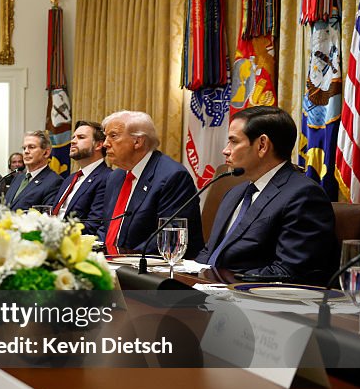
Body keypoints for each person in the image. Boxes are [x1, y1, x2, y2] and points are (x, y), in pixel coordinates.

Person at [195, 107, 337, 284]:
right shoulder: (235, 192)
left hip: (253, 303)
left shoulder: (304, 196)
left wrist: (219, 282)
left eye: (233, 141)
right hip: (209, 295)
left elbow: (289, 272)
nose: (225, 150)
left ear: (262, 145)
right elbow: (210, 253)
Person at [98, 110, 204, 257]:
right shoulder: (115, 177)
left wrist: (124, 260)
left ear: (138, 141)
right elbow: (106, 227)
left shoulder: (172, 176)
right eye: (105, 137)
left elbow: (167, 238)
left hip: (152, 270)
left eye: (113, 136)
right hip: (113, 264)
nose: (105, 144)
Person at [51, 120, 111, 235]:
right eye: (73, 137)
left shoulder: (107, 177)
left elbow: (94, 224)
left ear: (98, 145)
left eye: (81, 137)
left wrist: (56, 230)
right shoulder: (70, 179)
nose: (73, 141)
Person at [5, 130, 63, 211]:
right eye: (24, 148)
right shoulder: (18, 177)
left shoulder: (54, 181)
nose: (26, 151)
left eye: (31, 147)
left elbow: (46, 218)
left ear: (46, 152)